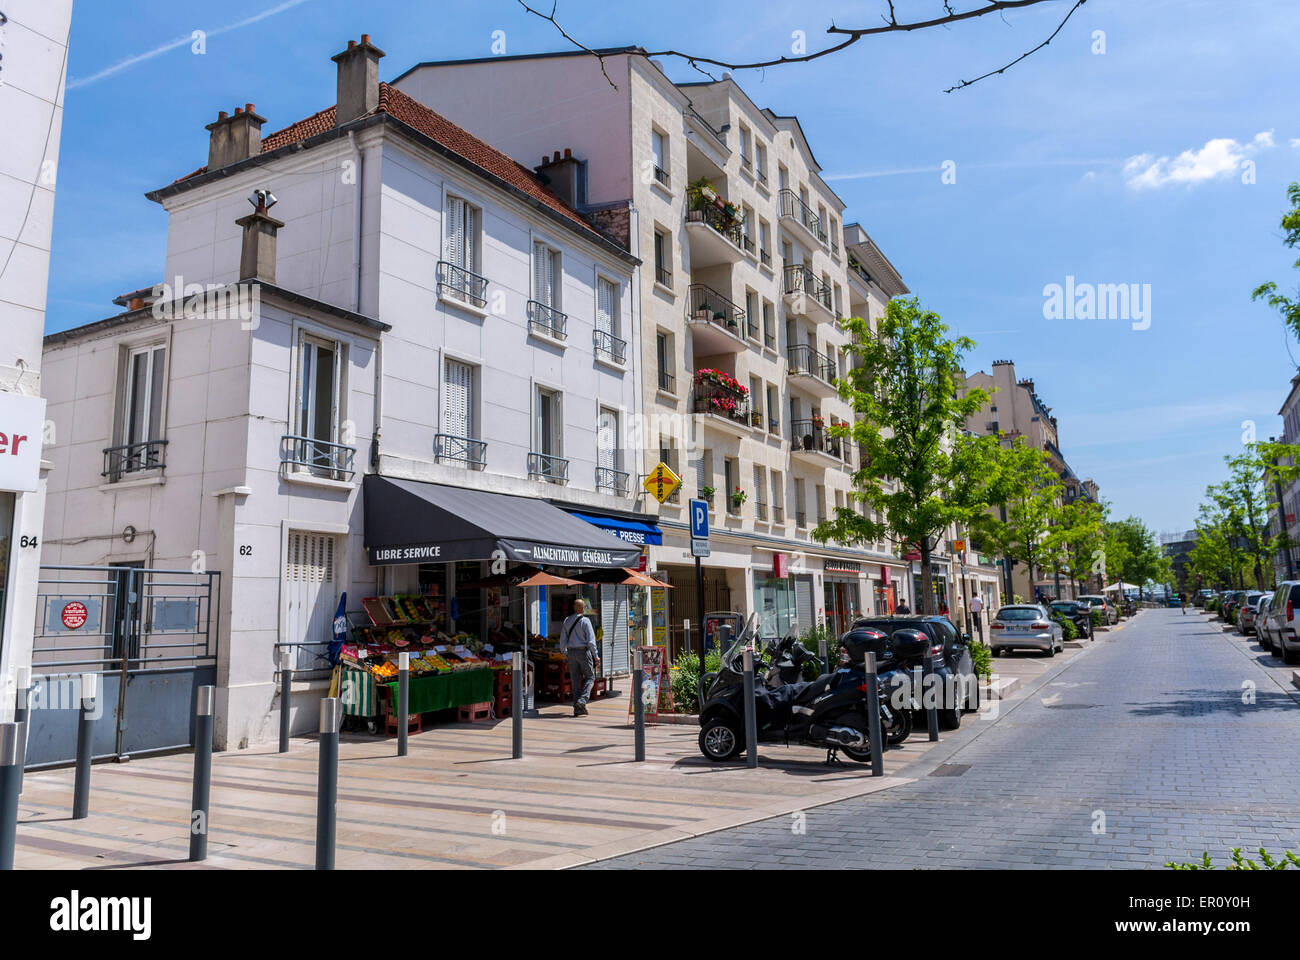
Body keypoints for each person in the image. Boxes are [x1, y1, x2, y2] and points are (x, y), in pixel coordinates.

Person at [559, 598, 600, 716]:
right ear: (583, 608)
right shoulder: (586, 621)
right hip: (583, 652)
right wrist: (596, 656)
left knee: (575, 681)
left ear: (574, 608)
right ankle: (582, 701)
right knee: (590, 677)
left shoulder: (567, 620)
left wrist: (565, 652)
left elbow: (563, 639)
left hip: (571, 653)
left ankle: (577, 708)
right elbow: (591, 641)